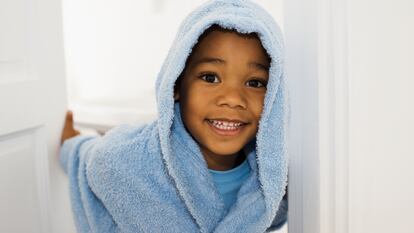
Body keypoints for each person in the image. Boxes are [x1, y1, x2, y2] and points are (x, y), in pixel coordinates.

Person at [59, 0, 289, 232]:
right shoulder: (125, 158)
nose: (232, 98)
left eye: (255, 82)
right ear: (176, 85)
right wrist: (72, 145)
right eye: (210, 77)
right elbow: (93, 157)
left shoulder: (269, 179)